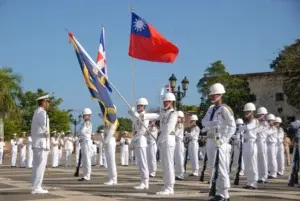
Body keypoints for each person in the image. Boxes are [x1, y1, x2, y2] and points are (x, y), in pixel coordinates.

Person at [202, 83, 236, 201]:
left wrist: (223, 140)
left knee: (222, 168)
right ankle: (217, 192)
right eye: (211, 95)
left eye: (214, 94)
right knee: (213, 168)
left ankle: (225, 194)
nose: (211, 96)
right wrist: (214, 123)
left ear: (220, 95)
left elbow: (233, 126)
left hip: (220, 141)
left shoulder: (225, 109)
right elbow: (203, 122)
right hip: (211, 140)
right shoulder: (211, 109)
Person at [142, 92, 178, 195]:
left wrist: (161, 139)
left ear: (171, 102)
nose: (164, 103)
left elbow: (168, 128)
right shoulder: (164, 113)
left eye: (166, 101)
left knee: (169, 164)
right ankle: (166, 186)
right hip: (163, 140)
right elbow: (155, 115)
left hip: (168, 139)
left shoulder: (173, 114)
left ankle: (170, 187)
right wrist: (142, 115)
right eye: (164, 101)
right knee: (164, 164)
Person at [128, 97, 150, 190]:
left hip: (141, 140)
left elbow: (142, 131)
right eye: (138, 105)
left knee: (143, 162)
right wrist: (131, 109)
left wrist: (134, 140)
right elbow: (132, 116)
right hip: (137, 141)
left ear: (144, 106)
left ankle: (145, 182)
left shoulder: (145, 116)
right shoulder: (138, 116)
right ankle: (142, 181)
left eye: (140, 105)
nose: (138, 106)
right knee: (139, 163)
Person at [30, 94, 51, 194]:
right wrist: (46, 133)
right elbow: (44, 127)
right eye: (48, 102)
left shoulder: (36, 112)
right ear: (44, 102)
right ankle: (37, 187)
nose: (49, 104)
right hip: (42, 143)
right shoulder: (42, 113)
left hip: (37, 143)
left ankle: (35, 186)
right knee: (40, 166)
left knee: (36, 165)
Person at [240, 103, 259, 189]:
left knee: (252, 163)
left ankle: (254, 182)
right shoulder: (247, 122)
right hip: (246, 143)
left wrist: (242, 127)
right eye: (245, 111)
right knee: (247, 164)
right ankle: (249, 182)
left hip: (251, 143)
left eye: (247, 111)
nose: (246, 113)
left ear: (251, 112)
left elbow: (248, 128)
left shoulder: (255, 121)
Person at [77, 108, 93, 181]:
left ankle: (87, 175)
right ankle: (84, 175)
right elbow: (78, 132)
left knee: (87, 159)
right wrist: (80, 133)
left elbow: (82, 132)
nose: (84, 116)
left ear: (89, 115)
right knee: (84, 160)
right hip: (83, 142)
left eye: (85, 115)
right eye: (83, 115)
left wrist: (80, 133)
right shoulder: (83, 123)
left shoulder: (88, 123)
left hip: (86, 142)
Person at [256, 107, 269, 184]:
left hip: (263, 142)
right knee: (258, 160)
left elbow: (257, 130)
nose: (260, 116)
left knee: (263, 160)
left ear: (264, 115)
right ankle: (260, 176)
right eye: (259, 114)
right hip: (257, 142)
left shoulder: (265, 123)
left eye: (261, 114)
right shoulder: (258, 123)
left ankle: (264, 177)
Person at [266, 114, 278, 179]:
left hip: (272, 144)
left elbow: (267, 133)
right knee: (268, 159)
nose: (269, 122)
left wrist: (265, 128)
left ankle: (274, 173)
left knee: (273, 159)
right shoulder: (269, 127)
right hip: (268, 144)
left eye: (270, 121)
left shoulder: (274, 128)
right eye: (268, 121)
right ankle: (270, 172)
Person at [175, 111, 185, 180]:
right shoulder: (176, 125)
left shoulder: (180, 125)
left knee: (180, 159)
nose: (178, 119)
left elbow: (175, 134)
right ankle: (178, 173)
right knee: (177, 159)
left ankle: (181, 174)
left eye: (179, 117)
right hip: (176, 143)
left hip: (179, 142)